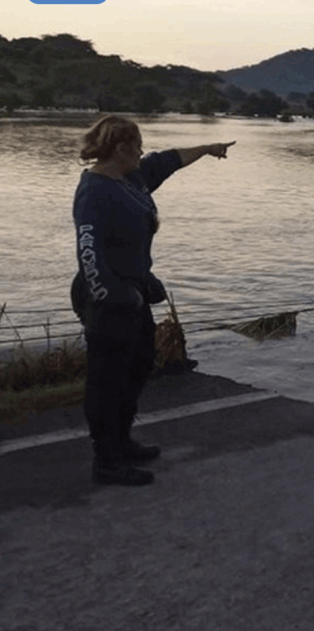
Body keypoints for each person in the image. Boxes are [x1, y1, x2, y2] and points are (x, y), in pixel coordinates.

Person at [72, 116, 234, 486]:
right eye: (138, 145)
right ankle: (106, 460)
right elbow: (88, 251)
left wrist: (208, 149)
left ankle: (122, 440)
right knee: (106, 380)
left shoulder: (131, 178)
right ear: (121, 149)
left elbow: (168, 160)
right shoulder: (95, 191)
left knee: (139, 365)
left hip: (133, 293)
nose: (143, 151)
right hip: (108, 297)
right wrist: (110, 294)